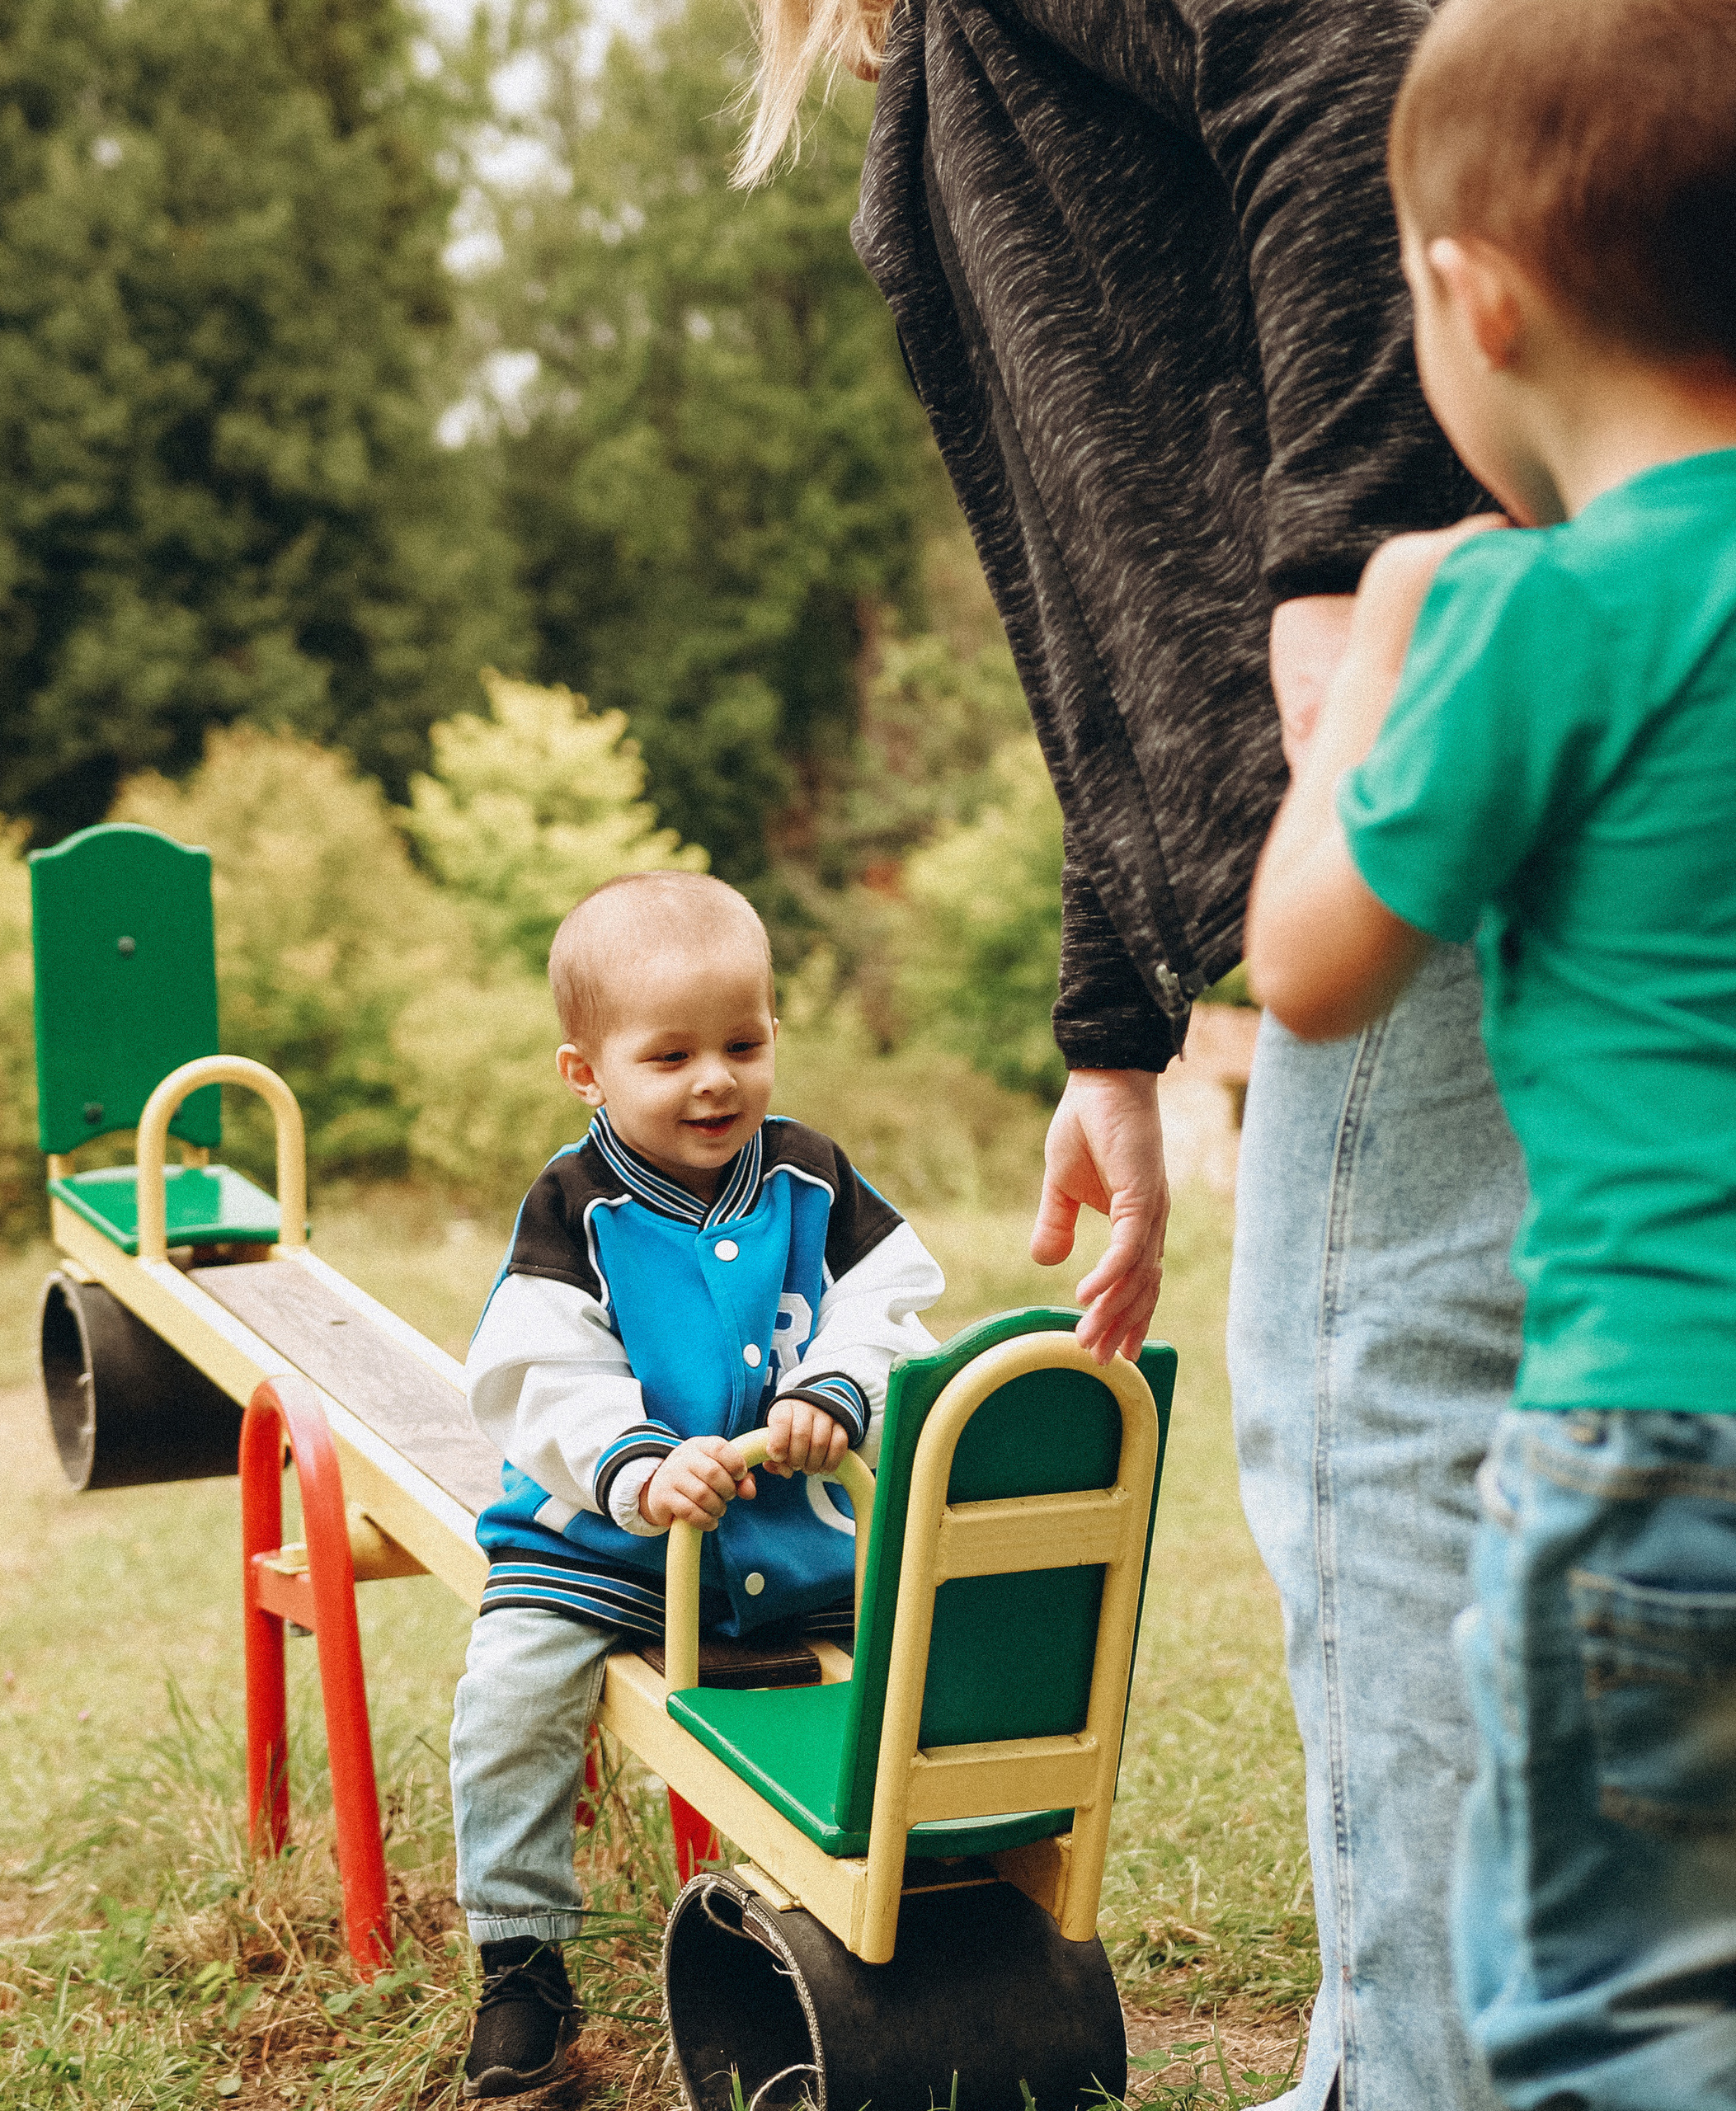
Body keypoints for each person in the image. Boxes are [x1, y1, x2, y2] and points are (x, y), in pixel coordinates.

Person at [744, 2, 1521, 2104]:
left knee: (1381, 1409)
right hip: (1342, 783)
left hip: (1423, 740)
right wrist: (1115, 1018)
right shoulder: (951, 48)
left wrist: (1344, 553)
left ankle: (1426, 2075)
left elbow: (1337, 45)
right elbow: (1089, 561)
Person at [1246, 2, 1736, 2099]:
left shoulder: (1533, 613)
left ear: (1469, 297)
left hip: (1646, 1443)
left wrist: (1381, 650)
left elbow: (1312, 969)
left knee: (1617, 2014)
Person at [449, 870, 944, 2097]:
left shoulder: (811, 1180)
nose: (714, 1079)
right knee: (510, 1700)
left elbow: (897, 1304)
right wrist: (633, 1462)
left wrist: (839, 1387)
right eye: (668, 1056)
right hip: (603, 1556)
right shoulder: (577, 1210)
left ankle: (921, 1905)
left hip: (799, 1544)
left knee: (911, 1676)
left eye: (742, 1042)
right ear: (588, 1072)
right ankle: (521, 1959)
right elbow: (535, 1368)